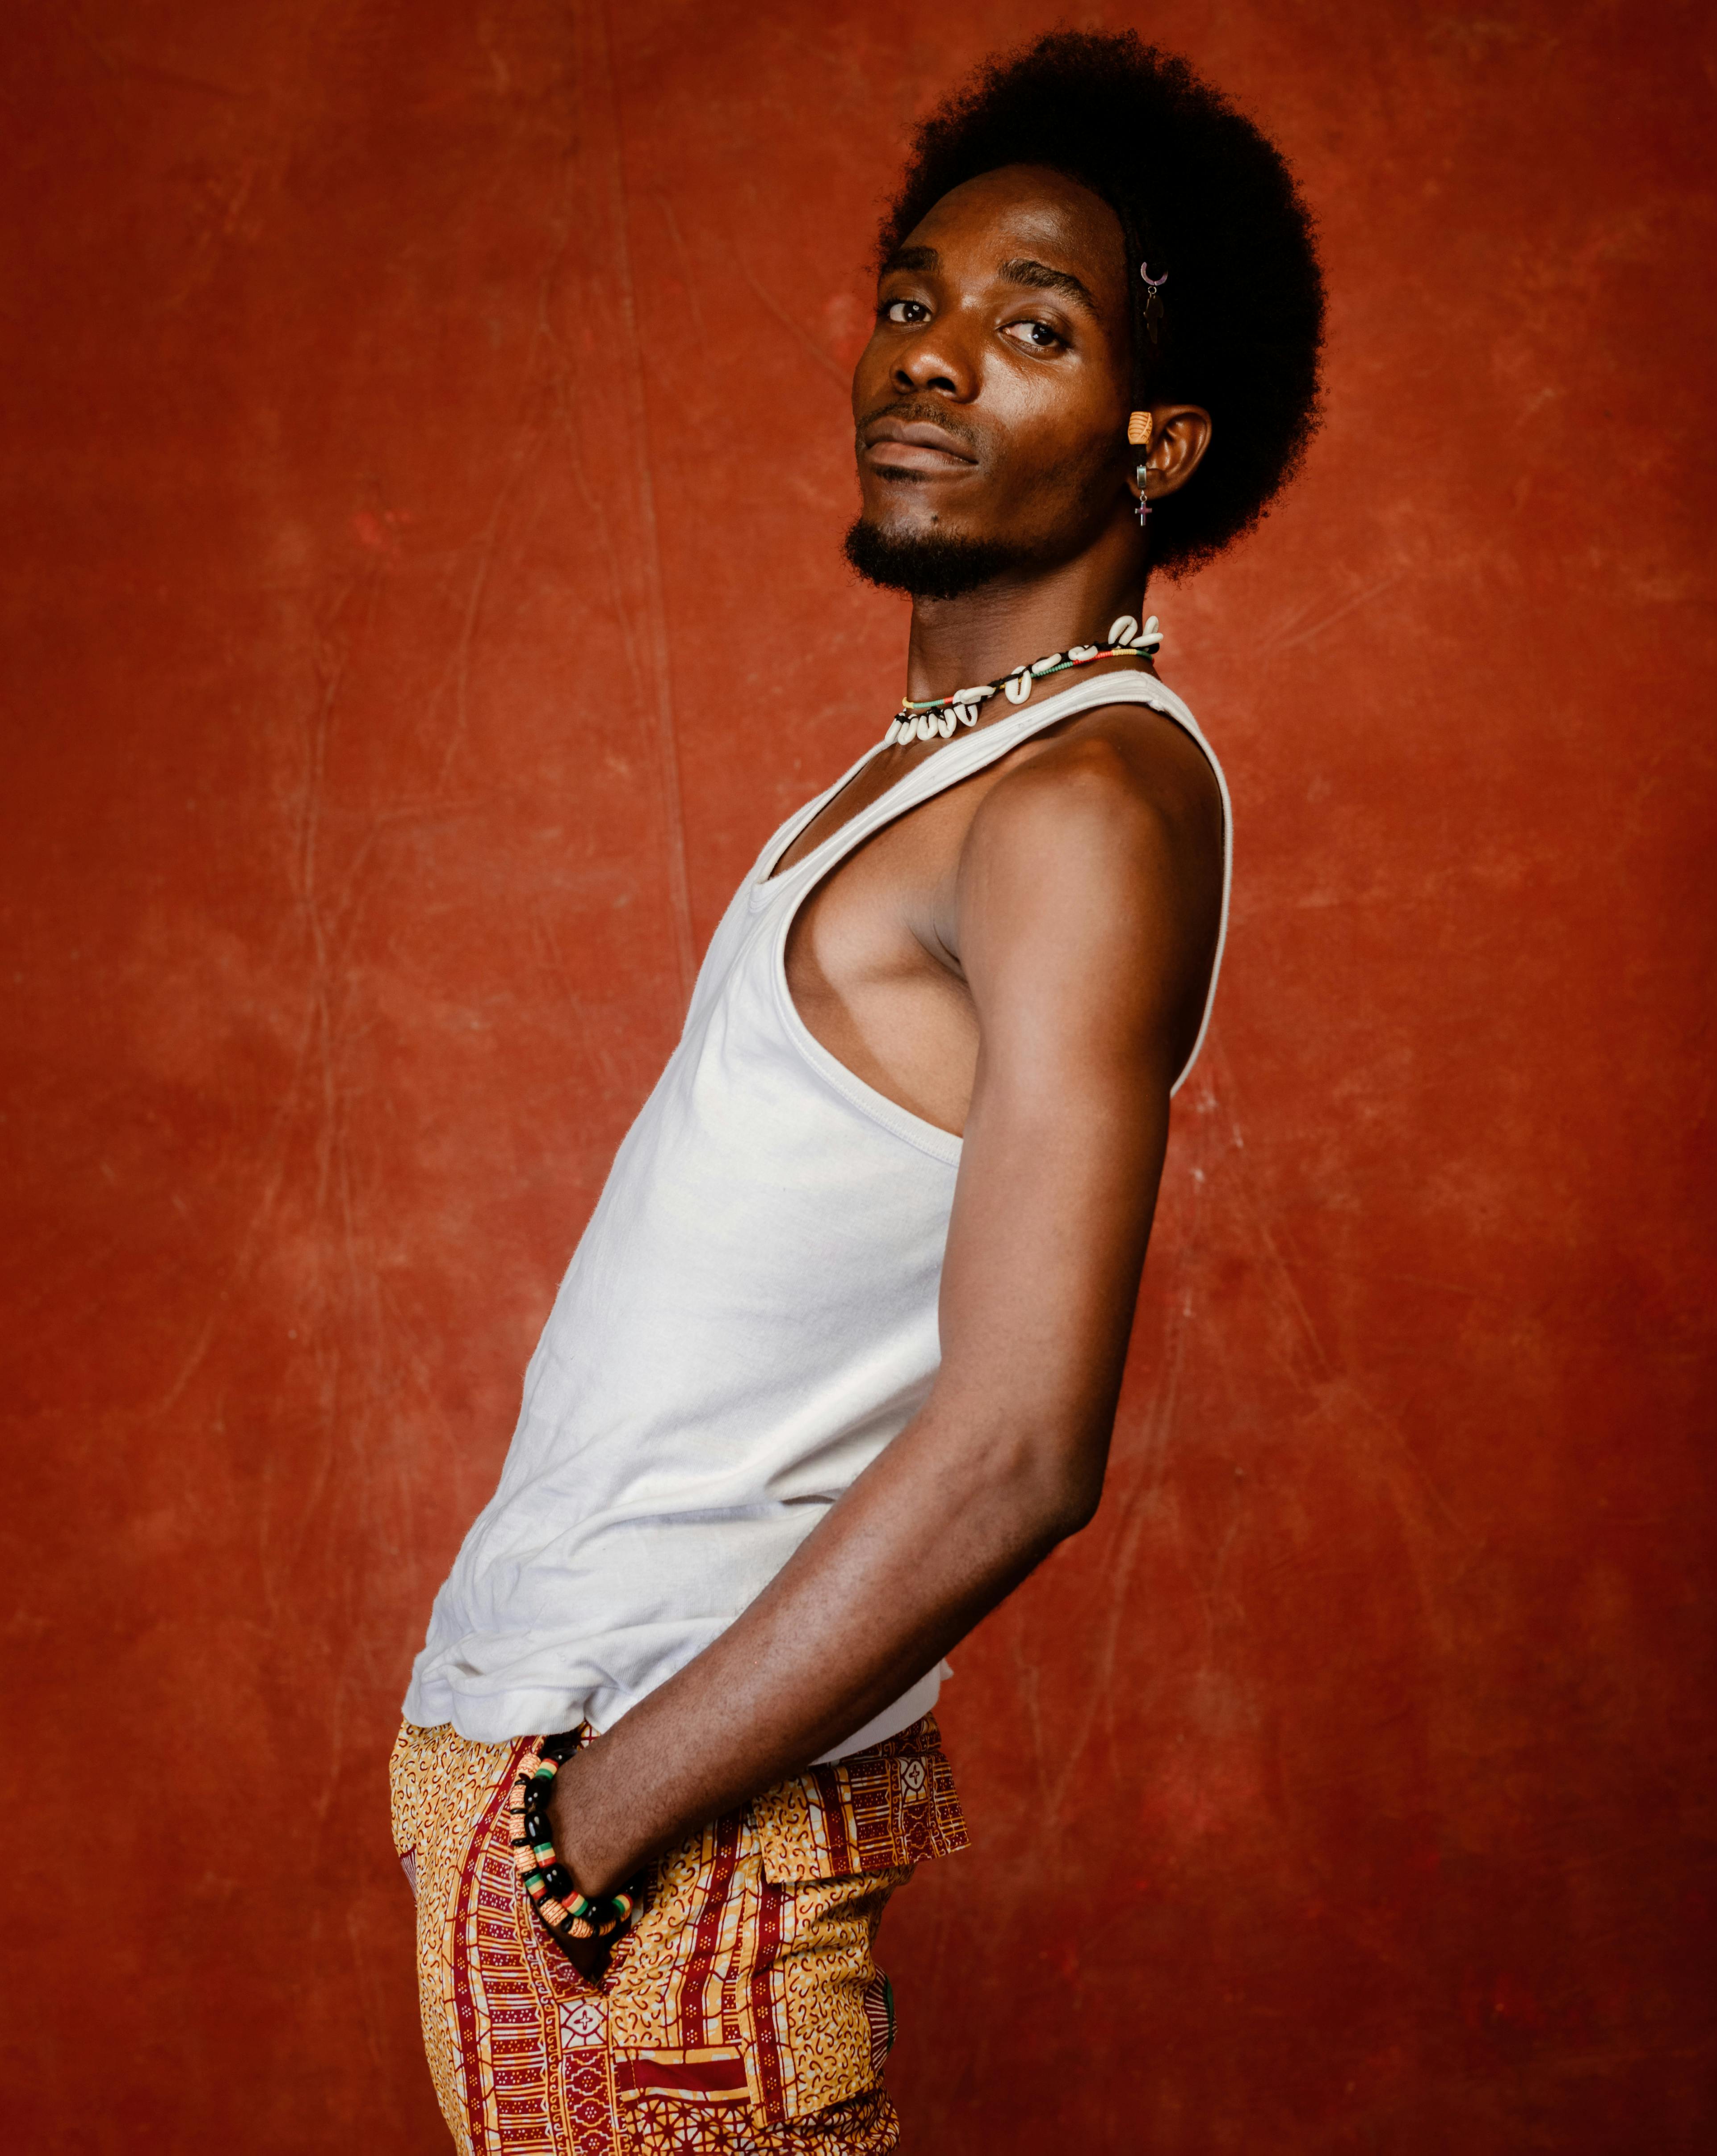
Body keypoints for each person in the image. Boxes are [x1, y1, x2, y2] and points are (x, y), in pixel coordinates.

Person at [390, 28, 1323, 2154]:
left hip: (664, 1845)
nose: (929, 359)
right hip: (595, 1814)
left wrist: (592, 1822)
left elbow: (1015, 1440)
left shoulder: (1079, 807)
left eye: (1032, 327)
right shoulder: (943, 773)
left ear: (1153, 439)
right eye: (911, 300)